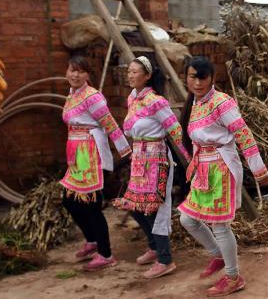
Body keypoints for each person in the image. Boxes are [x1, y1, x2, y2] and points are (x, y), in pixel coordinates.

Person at [177, 56, 268, 296]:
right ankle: (218, 254)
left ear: (212, 78)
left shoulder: (222, 102)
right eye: (192, 77)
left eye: (203, 77)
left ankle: (233, 277)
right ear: (186, 78)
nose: (198, 82)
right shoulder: (196, 103)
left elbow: (243, 134)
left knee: (220, 226)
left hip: (221, 168)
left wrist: (258, 170)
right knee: (187, 219)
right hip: (203, 169)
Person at [113, 56, 190, 279]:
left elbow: (175, 131)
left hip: (157, 158)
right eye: (129, 71)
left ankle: (165, 260)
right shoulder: (132, 99)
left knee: (156, 208)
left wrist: (190, 160)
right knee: (135, 206)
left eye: (135, 72)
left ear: (147, 76)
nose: (130, 75)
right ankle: (154, 246)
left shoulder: (157, 102)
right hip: (139, 158)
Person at [60, 55, 131, 271]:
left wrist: (126, 152)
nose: (75, 74)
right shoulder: (72, 95)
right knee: (70, 200)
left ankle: (106, 253)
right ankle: (91, 240)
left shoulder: (93, 97)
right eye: (72, 70)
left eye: (80, 71)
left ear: (88, 75)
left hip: (90, 153)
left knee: (91, 204)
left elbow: (109, 124)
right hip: (76, 154)